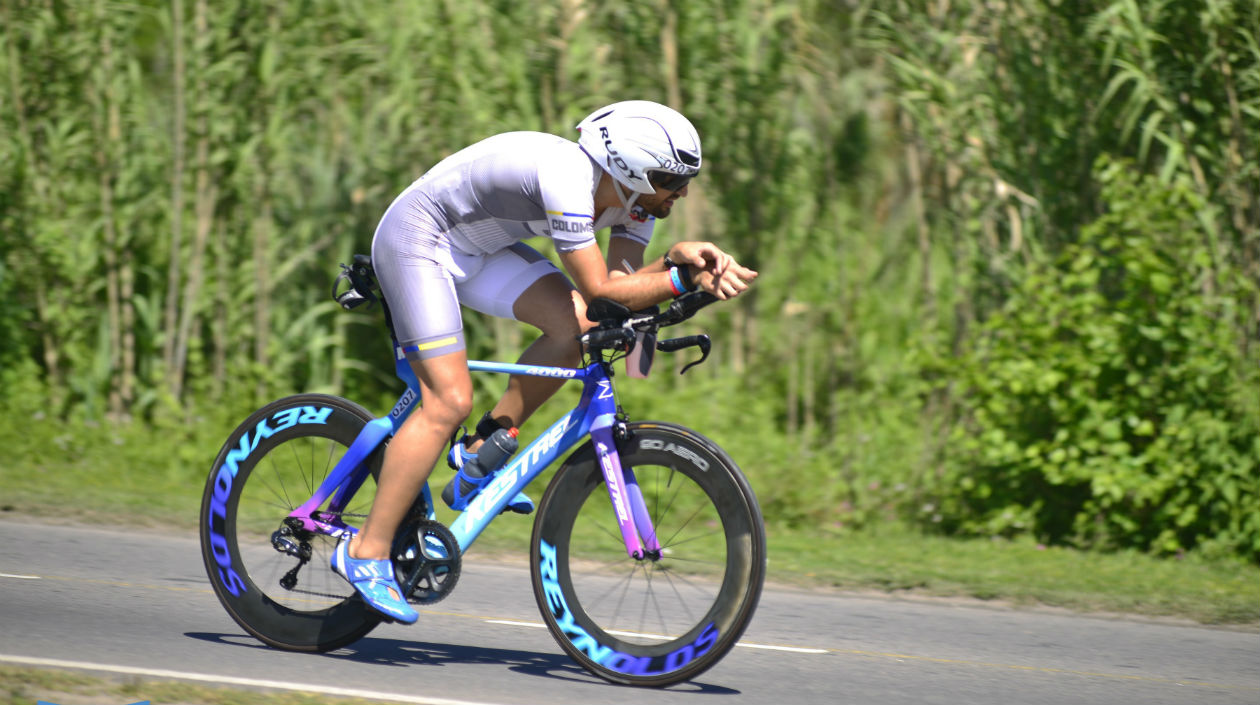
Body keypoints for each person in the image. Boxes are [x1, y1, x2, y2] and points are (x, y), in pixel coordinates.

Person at [330, 100, 759, 623]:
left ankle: (482, 448)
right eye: (671, 178)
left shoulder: (636, 204)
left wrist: (675, 263)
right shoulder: (565, 181)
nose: (683, 191)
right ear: (629, 169)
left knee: (577, 325)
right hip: (420, 237)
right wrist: (680, 278)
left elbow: (616, 301)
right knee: (448, 400)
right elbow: (603, 287)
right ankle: (364, 553)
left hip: (480, 250)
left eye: (687, 178)